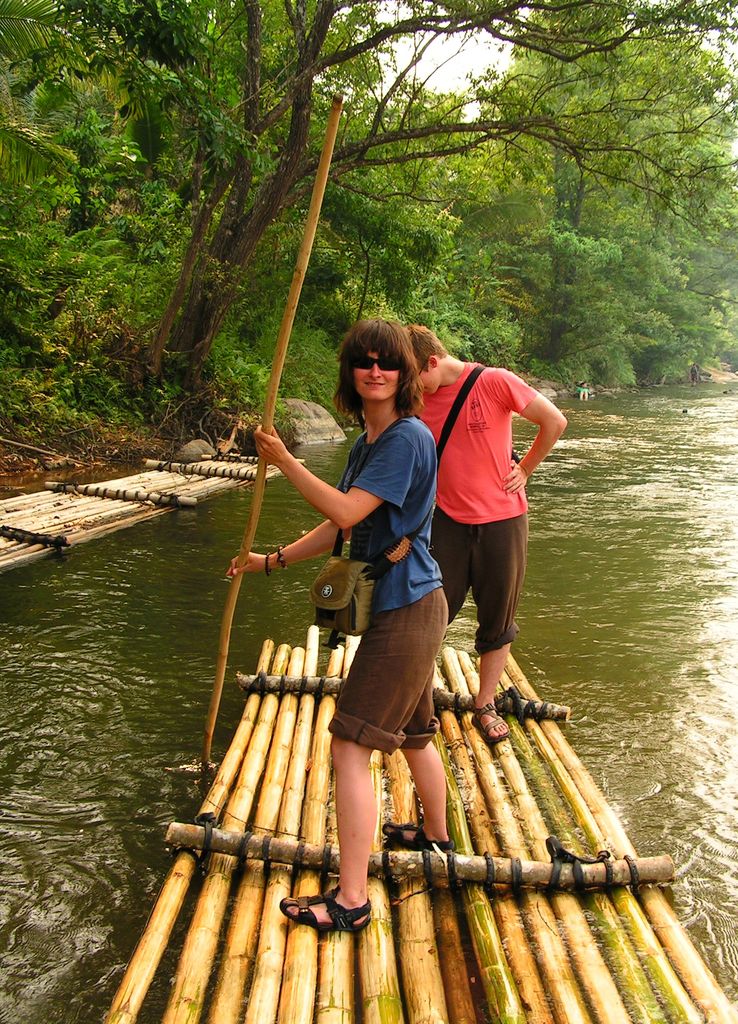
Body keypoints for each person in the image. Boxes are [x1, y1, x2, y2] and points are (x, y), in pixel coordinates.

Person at [228, 319, 450, 934]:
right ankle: (436, 836)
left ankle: (352, 900)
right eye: (363, 362)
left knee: (350, 743)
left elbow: (347, 508)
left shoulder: (407, 438)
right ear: (351, 374)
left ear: (404, 374)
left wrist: (284, 463)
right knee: (413, 732)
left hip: (407, 609)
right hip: (410, 605)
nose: (375, 371)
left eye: (386, 363)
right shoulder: (366, 444)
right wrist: (270, 560)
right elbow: (341, 531)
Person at [408, 325, 567, 745]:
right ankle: (415, 699)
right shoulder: (415, 400)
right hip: (445, 522)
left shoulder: (494, 381)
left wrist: (526, 468)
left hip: (503, 521)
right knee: (430, 612)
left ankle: (484, 703)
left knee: (498, 619)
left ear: (432, 362)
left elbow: (554, 420)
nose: (410, 387)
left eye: (413, 375)